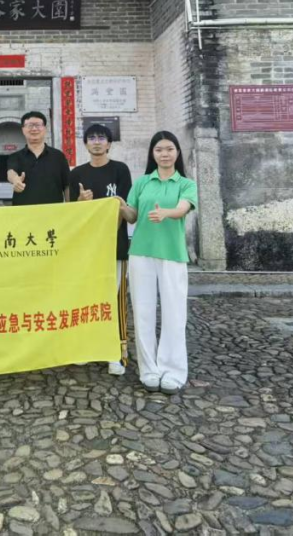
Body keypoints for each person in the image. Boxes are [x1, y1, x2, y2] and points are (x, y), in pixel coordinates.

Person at [117, 131, 197, 393]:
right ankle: (149, 369)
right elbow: (132, 216)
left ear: (177, 153)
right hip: (141, 252)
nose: (164, 154)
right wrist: (120, 205)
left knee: (175, 313)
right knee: (143, 312)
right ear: (152, 154)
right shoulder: (142, 182)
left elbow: (183, 208)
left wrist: (166, 213)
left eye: (169, 149)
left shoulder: (185, 184)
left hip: (172, 254)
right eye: (159, 150)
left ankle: (173, 370)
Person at [70, 123, 133, 376]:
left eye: (102, 138)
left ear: (109, 143)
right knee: (88, 298)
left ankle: (115, 352)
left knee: (114, 299)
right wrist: (79, 202)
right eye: (92, 138)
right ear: (85, 143)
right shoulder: (77, 174)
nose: (97, 142)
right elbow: (70, 215)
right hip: (87, 249)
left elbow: (127, 209)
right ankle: (87, 347)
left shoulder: (120, 170)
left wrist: (118, 206)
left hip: (115, 246)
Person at [5, 111, 70, 205]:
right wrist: (15, 180)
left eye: (38, 125)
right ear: (23, 129)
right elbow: (11, 172)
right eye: (30, 125)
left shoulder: (58, 156)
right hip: (23, 212)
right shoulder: (15, 156)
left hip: (53, 211)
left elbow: (67, 185)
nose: (34, 129)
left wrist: (71, 208)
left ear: (45, 129)